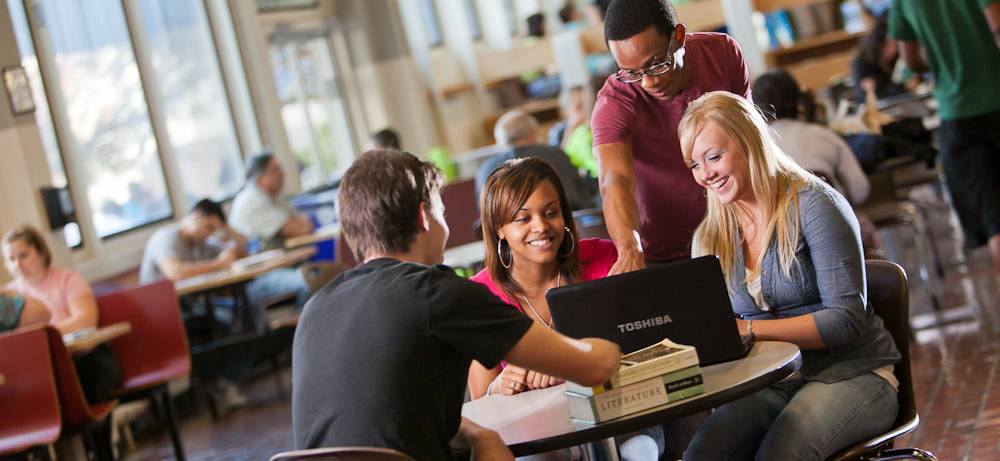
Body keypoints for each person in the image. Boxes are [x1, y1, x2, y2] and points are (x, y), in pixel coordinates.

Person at [293, 149, 621, 461]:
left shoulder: (316, 308)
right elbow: (596, 366)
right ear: (425, 217)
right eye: (442, 211)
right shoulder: (439, 293)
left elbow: (391, 420)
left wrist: (480, 434)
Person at [678, 91, 901, 460]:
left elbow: (845, 322)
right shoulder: (710, 235)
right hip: (774, 382)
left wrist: (748, 330)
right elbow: (715, 331)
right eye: (694, 165)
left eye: (714, 157)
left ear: (750, 142)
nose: (705, 175)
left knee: (779, 455)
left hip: (853, 372)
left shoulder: (814, 204)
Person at [468, 157, 663, 460]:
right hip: (541, 436)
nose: (541, 227)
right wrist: (499, 387)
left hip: (622, 416)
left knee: (640, 451)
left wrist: (571, 364)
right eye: (523, 219)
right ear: (499, 229)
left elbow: (650, 344)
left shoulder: (605, 258)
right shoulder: (479, 296)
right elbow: (481, 403)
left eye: (551, 213)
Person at [591, 0, 752, 273]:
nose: (648, 82)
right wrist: (629, 248)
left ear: (678, 38)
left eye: (656, 65)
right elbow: (614, 179)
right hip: (663, 252)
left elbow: (749, 141)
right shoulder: (614, 102)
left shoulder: (722, 53)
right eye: (631, 73)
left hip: (738, 232)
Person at [889, 0, 1000, 270]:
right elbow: (997, 26)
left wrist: (942, 57)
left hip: (956, 113)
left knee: (995, 219)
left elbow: (911, 61)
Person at [3, 225, 122, 403]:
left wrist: (44, 335)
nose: (17, 265)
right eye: (10, 259)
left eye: (23, 256)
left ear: (42, 253)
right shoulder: (9, 295)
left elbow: (85, 321)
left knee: (92, 376)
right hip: (42, 366)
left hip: (83, 357)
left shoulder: (68, 279)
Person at [139, 198, 312, 314]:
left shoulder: (203, 242)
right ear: (196, 217)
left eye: (215, 229)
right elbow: (175, 273)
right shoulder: (165, 237)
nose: (211, 233)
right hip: (166, 312)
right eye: (209, 227)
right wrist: (219, 263)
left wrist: (227, 232)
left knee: (245, 310)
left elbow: (242, 251)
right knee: (240, 315)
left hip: (196, 305)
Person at [752, 69, 870, 205]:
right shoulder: (823, 135)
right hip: (836, 218)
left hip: (784, 224)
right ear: (796, 99)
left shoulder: (756, 150)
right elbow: (860, 190)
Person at [477, 109, 597, 211]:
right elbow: (581, 197)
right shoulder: (555, 155)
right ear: (533, 133)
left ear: (500, 140)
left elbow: (484, 213)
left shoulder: (485, 169)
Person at [229, 151, 315, 248]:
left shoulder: (274, 196)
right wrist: (299, 225)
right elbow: (296, 230)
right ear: (260, 178)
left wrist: (301, 224)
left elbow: (307, 224)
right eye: (276, 170)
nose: (282, 174)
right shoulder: (252, 201)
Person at [548, 86, 598, 178]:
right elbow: (559, 160)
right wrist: (570, 129)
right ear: (565, 109)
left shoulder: (593, 123)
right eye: (574, 104)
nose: (578, 108)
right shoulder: (559, 131)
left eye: (582, 104)